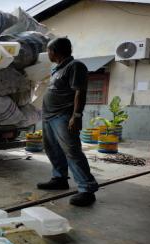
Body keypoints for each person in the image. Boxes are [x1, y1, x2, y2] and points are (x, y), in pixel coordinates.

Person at [37, 37, 98, 207]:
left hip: (63, 116)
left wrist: (76, 116)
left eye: (48, 50)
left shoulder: (75, 66)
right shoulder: (57, 69)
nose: (47, 53)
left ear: (55, 51)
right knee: (52, 149)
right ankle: (59, 178)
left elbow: (80, 92)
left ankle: (87, 189)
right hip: (49, 116)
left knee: (72, 151)